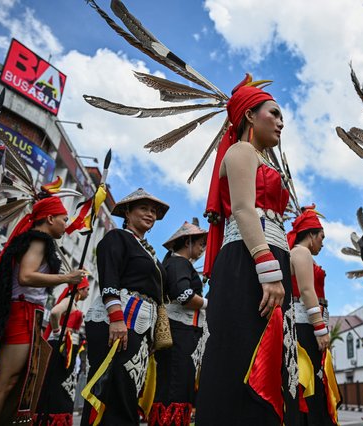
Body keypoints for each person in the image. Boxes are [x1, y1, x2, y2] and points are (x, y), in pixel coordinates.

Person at [195, 77, 299, 425]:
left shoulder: (264, 160)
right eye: (275, 113)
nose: (281, 122)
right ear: (250, 116)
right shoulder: (239, 151)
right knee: (240, 354)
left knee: (268, 356)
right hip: (247, 259)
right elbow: (242, 209)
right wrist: (267, 268)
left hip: (266, 256)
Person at [0, 196, 86, 425]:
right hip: (23, 314)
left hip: (29, 315)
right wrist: (67, 277)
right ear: (49, 218)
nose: (66, 224)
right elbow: (26, 276)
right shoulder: (38, 241)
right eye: (64, 219)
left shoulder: (35, 241)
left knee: (15, 383)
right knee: (5, 382)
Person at [81, 188, 169, 425]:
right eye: (144, 208)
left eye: (154, 211)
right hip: (119, 320)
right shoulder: (116, 238)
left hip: (140, 326)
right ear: (127, 212)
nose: (150, 214)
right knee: (112, 389)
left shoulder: (150, 253)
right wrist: (117, 319)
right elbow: (109, 279)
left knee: (129, 391)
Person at [149, 220, 208, 426]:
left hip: (183, 333)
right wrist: (210, 304)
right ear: (188, 242)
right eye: (201, 244)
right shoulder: (178, 263)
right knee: (174, 387)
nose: (203, 249)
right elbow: (184, 295)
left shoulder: (177, 263)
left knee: (177, 386)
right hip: (179, 333)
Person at [287, 206, 338, 425]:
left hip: (308, 325)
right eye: (321, 237)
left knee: (315, 383)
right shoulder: (301, 252)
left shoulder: (302, 254)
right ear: (310, 234)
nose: (323, 243)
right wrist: (320, 327)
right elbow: (307, 291)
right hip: (305, 327)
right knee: (308, 384)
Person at [34, 277, 90, 425]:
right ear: (80, 289)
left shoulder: (73, 303)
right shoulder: (69, 301)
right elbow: (54, 312)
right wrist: (58, 331)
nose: (88, 293)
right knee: (57, 386)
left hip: (68, 349)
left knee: (64, 386)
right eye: (87, 289)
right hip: (62, 348)